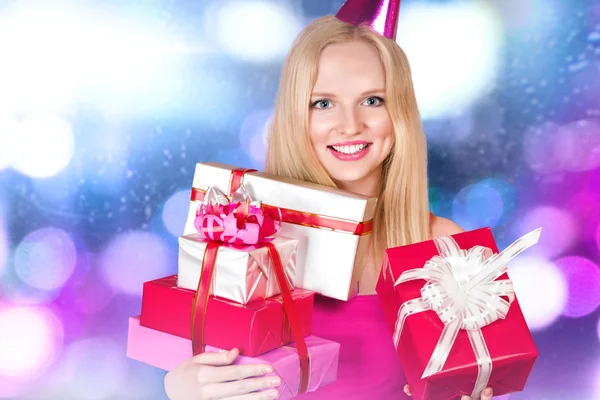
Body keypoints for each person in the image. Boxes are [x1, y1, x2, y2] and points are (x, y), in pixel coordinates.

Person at [164, 6, 496, 400]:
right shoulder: (246, 240)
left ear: (401, 113)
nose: (350, 125)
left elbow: (488, 377)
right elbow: (210, 364)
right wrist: (179, 386)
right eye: (323, 103)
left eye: (372, 100)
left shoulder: (448, 249)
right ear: (295, 116)